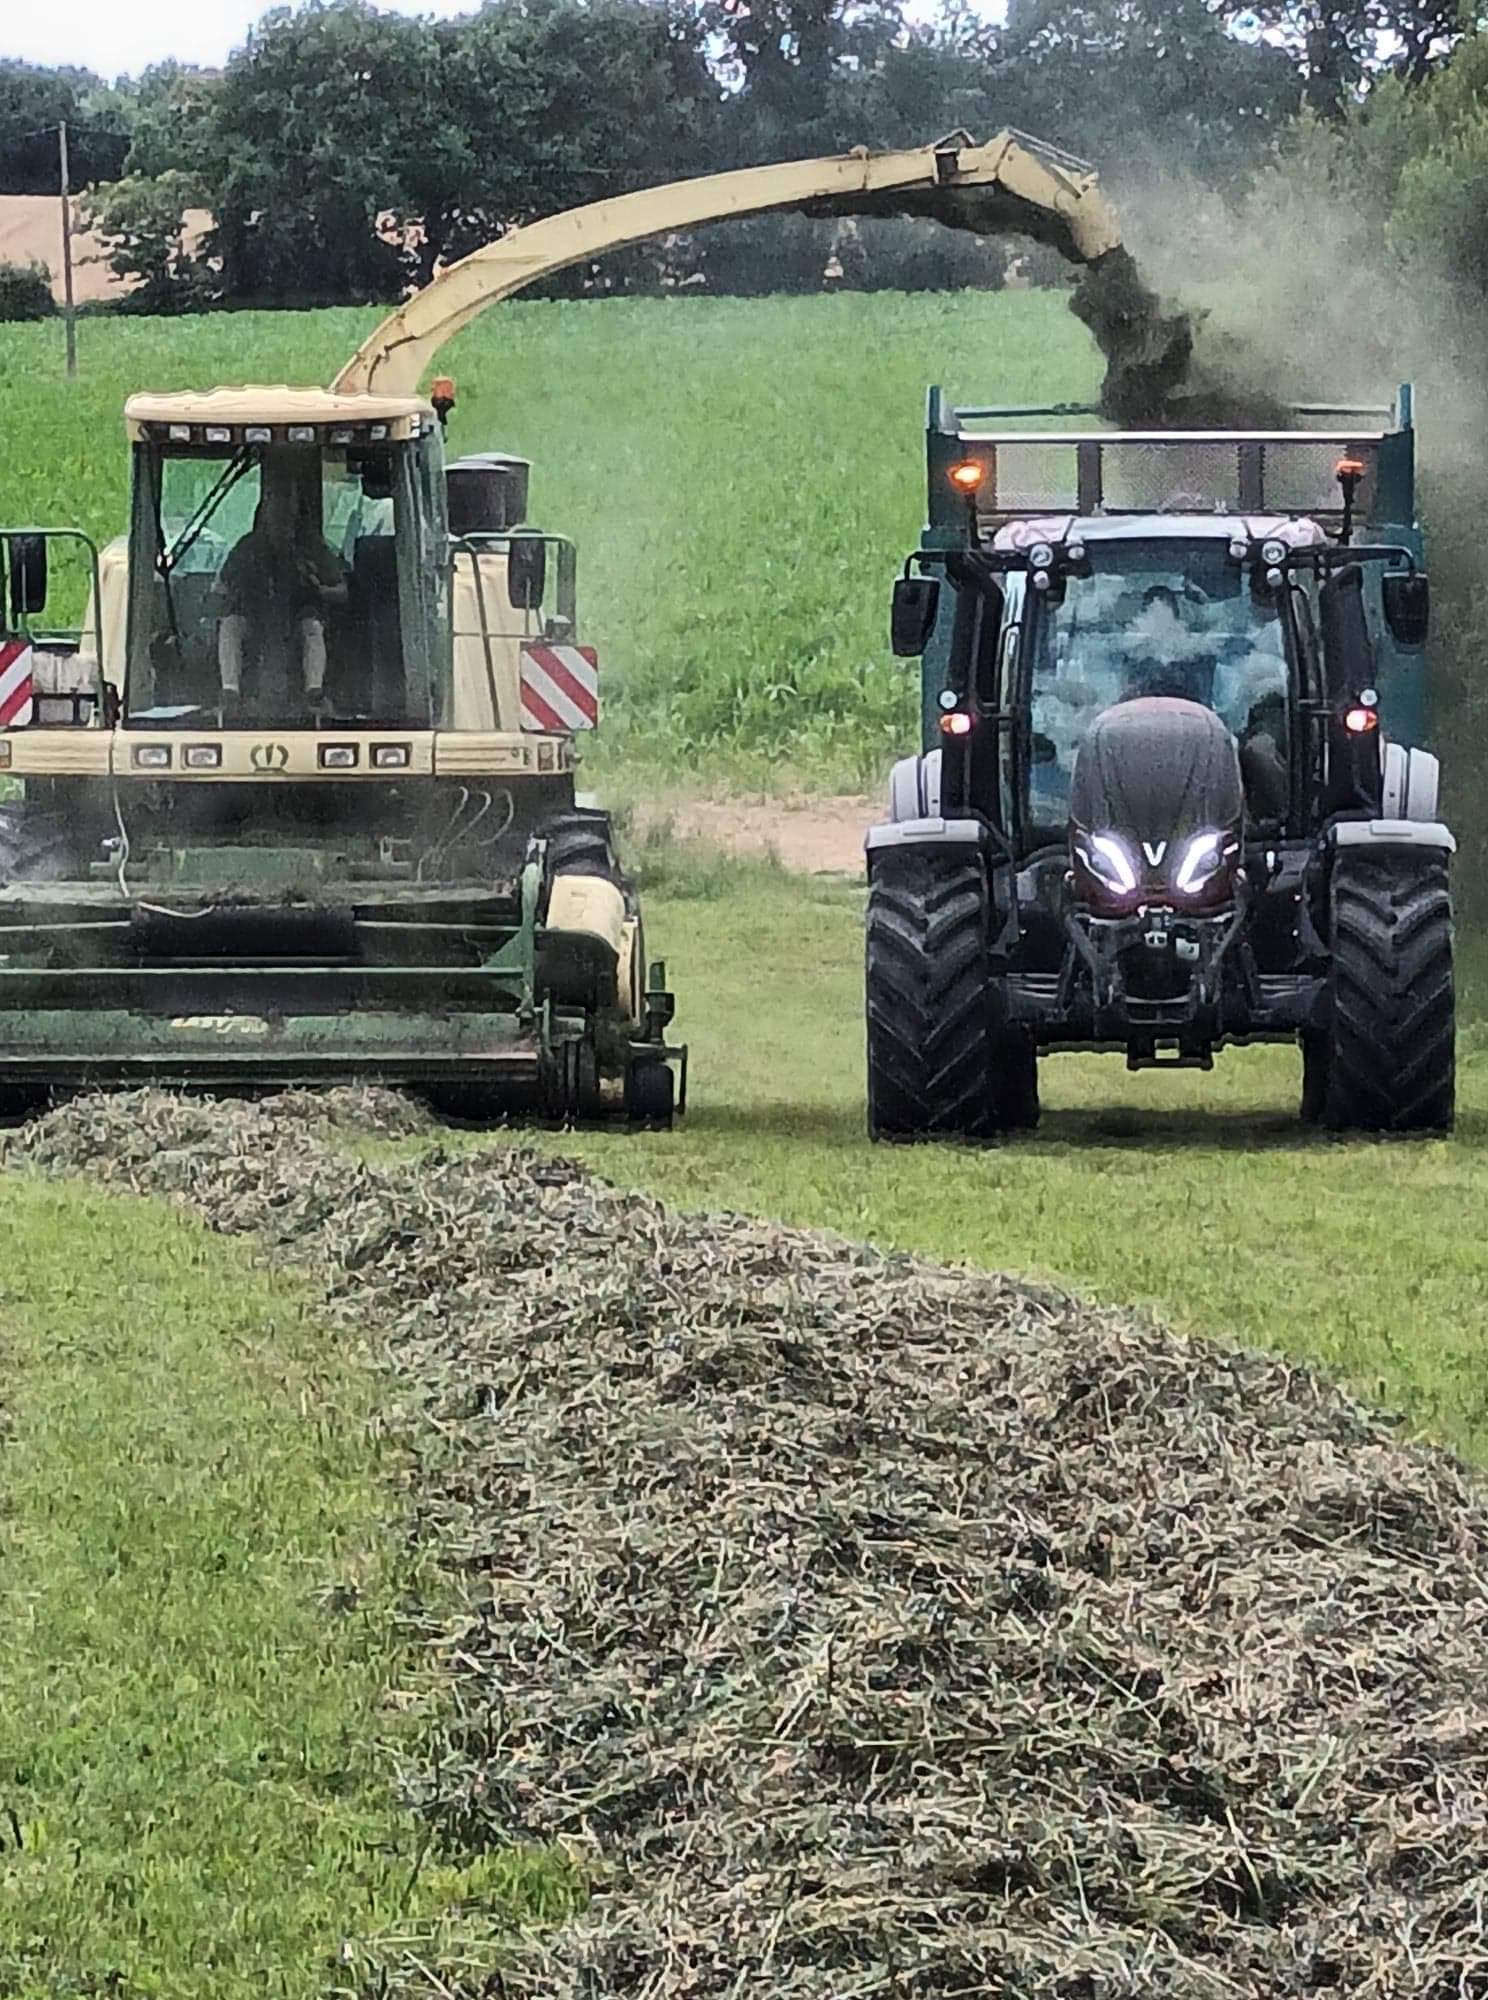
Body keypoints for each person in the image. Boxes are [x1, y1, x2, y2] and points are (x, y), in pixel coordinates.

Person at [215, 461, 349, 718]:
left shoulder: (312, 548)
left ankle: (314, 692)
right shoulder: (248, 547)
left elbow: (342, 590)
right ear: (263, 510)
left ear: (297, 508)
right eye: (274, 502)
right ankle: (229, 692)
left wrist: (320, 590)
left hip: (300, 618)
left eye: (287, 502)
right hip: (255, 619)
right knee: (230, 625)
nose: (280, 510)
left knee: (312, 628)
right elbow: (220, 586)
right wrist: (224, 599)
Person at [1119, 583, 1216, 706]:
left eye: (1164, 609)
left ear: (1177, 620)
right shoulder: (1131, 657)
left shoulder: (1199, 656)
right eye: (1151, 612)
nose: (1159, 624)